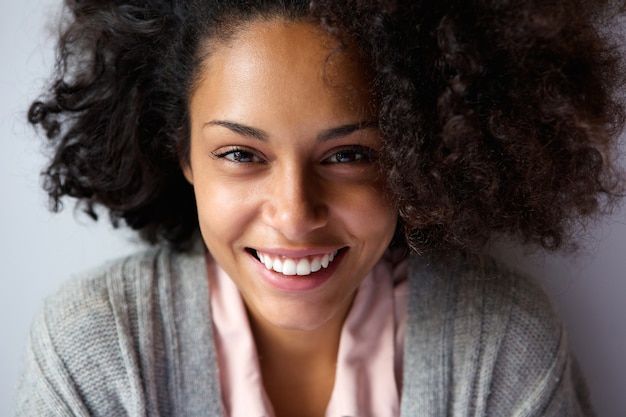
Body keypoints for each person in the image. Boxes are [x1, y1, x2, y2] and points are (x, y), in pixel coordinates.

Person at [15, 0, 626, 416]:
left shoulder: (502, 346)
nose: (294, 212)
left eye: (348, 155)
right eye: (240, 153)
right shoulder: (95, 354)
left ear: (418, 155)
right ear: (183, 154)